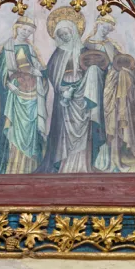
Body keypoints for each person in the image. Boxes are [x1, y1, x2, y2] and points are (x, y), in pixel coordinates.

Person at [37, 9, 106, 173]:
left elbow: (97, 70)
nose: (65, 36)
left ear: (74, 31)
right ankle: (63, 165)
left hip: (83, 94)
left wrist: (78, 86)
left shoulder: (85, 51)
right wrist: (60, 87)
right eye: (61, 34)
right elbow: (52, 73)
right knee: (64, 130)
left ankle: (83, 165)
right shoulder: (58, 53)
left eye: (66, 33)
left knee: (83, 130)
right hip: (64, 97)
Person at [0, 16, 48, 174]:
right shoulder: (7, 46)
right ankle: (11, 165)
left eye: (30, 31)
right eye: (24, 29)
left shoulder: (31, 48)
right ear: (17, 28)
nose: (26, 33)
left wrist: (38, 73)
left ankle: (30, 164)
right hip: (14, 94)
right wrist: (8, 84)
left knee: (30, 129)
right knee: (13, 127)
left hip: (31, 93)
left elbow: (39, 68)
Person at [85, 14, 135, 170]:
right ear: (98, 24)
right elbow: (82, 67)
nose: (106, 31)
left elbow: (120, 63)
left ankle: (113, 160)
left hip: (111, 91)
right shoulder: (87, 44)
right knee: (97, 124)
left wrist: (124, 71)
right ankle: (95, 161)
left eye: (108, 29)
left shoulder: (111, 46)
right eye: (104, 27)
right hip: (94, 92)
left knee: (112, 125)